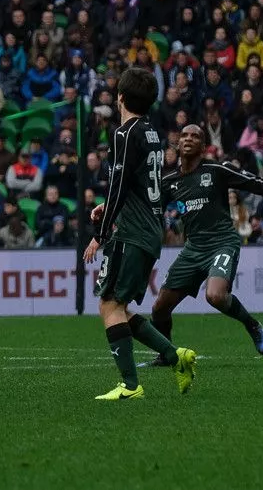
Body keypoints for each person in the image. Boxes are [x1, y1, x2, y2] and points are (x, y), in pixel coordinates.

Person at [83, 67, 197, 401]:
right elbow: (139, 184)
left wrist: (99, 234)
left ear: (120, 97)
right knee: (117, 306)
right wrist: (109, 207)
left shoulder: (124, 133)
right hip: (148, 227)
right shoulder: (150, 132)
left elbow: (118, 184)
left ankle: (131, 385)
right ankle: (176, 356)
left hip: (131, 232)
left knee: (109, 304)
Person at [146, 125, 263, 366]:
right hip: (193, 248)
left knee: (215, 296)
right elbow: (147, 207)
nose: (188, 139)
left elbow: (256, 183)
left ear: (203, 146)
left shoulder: (217, 170)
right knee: (159, 309)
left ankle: (252, 325)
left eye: (195, 136)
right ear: (177, 144)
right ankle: (166, 355)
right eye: (184, 135)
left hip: (222, 242)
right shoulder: (169, 181)